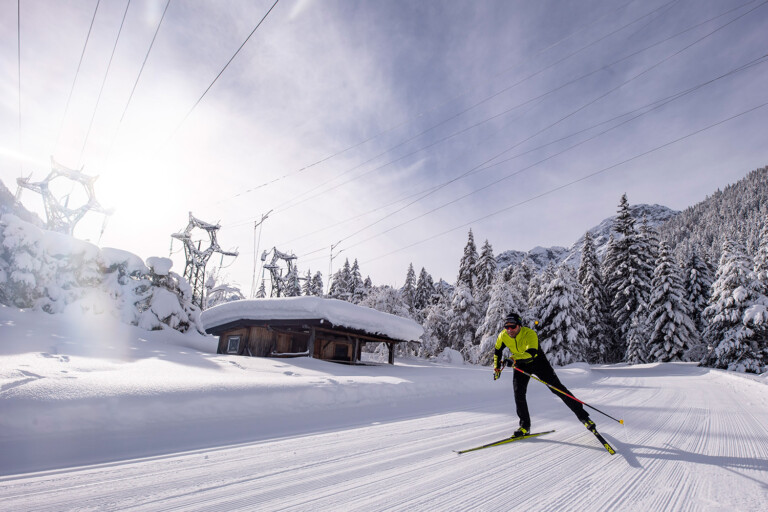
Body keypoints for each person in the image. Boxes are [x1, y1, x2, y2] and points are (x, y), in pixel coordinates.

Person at [493, 312, 596, 437]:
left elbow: (531, 353)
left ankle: (584, 417)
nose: (509, 330)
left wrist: (513, 359)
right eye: (507, 327)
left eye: (513, 326)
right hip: (520, 364)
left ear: (519, 325)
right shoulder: (503, 335)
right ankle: (525, 426)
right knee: (518, 393)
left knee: (557, 389)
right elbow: (497, 351)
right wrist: (497, 368)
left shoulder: (529, 333)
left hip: (538, 362)